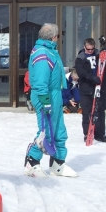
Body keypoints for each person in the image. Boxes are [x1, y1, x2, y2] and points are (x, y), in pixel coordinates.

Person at [24, 24, 77, 178]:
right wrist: (45, 101)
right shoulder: (42, 53)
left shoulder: (50, 51)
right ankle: (31, 163)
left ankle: (58, 164)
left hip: (55, 95)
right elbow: (40, 81)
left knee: (59, 131)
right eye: (58, 36)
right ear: (53, 37)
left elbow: (53, 70)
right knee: (46, 132)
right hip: (45, 96)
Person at [74, 38, 106, 143]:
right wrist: (92, 78)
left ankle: (100, 134)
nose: (90, 51)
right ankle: (87, 133)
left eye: (92, 49)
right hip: (86, 88)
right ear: (84, 47)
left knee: (100, 111)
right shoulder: (80, 58)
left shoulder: (99, 54)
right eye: (88, 49)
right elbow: (81, 72)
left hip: (99, 88)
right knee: (87, 112)